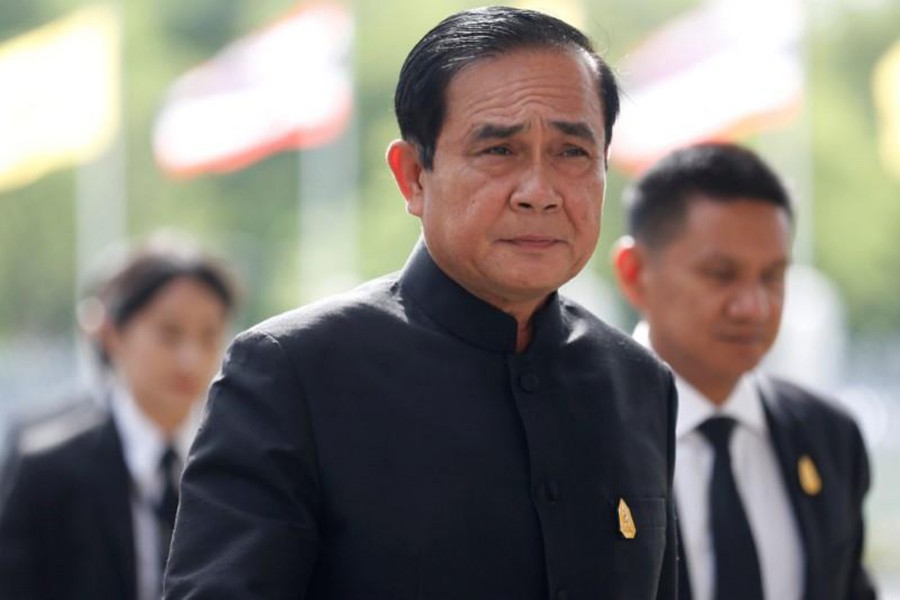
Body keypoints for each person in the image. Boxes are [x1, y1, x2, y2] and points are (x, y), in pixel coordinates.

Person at [163, 7, 677, 600]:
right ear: (413, 175)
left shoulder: (638, 383)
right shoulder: (293, 374)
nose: (539, 192)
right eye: (500, 150)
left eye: (572, 152)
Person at [612, 142, 876, 600]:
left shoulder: (828, 436)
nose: (754, 306)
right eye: (721, 274)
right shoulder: (581, 432)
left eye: (772, 276)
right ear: (635, 273)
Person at [0, 233, 239, 600]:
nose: (189, 359)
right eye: (169, 333)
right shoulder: (47, 467)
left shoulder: (238, 463)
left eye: (209, 336)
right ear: (113, 335)